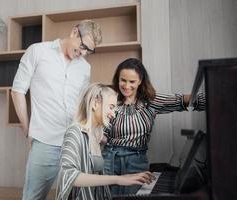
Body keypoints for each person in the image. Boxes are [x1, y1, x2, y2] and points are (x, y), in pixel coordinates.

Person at [11, 20, 102, 200]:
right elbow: (17, 91)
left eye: (88, 51)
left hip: (75, 143)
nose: (83, 53)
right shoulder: (38, 51)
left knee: (74, 196)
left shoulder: (85, 67)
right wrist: (27, 130)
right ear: (75, 32)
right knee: (33, 197)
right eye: (83, 46)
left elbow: (81, 106)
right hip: (45, 142)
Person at [102, 58, 206, 196]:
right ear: (118, 79)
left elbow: (182, 100)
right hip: (109, 160)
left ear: (140, 81)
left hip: (136, 161)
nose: (127, 86)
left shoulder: (151, 101)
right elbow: (102, 130)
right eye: (123, 80)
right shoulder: (110, 98)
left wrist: (216, 97)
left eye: (132, 81)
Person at [56, 83, 154, 200]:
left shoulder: (94, 136)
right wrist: (118, 179)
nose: (113, 114)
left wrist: (128, 176)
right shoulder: (74, 132)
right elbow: (68, 175)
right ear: (95, 104)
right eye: (111, 107)